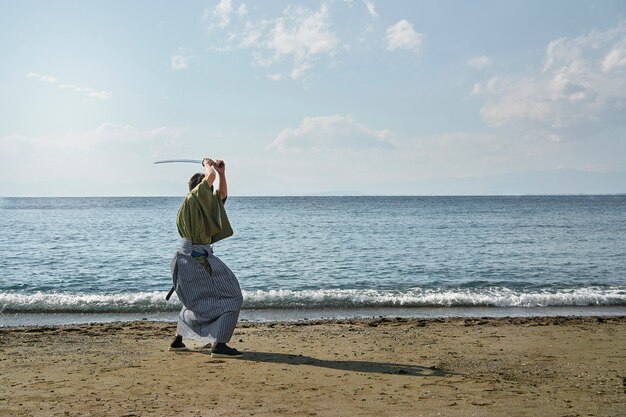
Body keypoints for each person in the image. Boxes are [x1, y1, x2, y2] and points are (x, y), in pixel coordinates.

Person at [167, 157, 243, 358]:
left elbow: (222, 194)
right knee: (233, 297)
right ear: (199, 189)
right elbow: (209, 177)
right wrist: (207, 164)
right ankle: (219, 345)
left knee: (195, 299)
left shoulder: (205, 206)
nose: (212, 193)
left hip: (188, 260)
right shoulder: (192, 201)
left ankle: (178, 340)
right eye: (208, 189)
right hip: (194, 258)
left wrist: (222, 173)